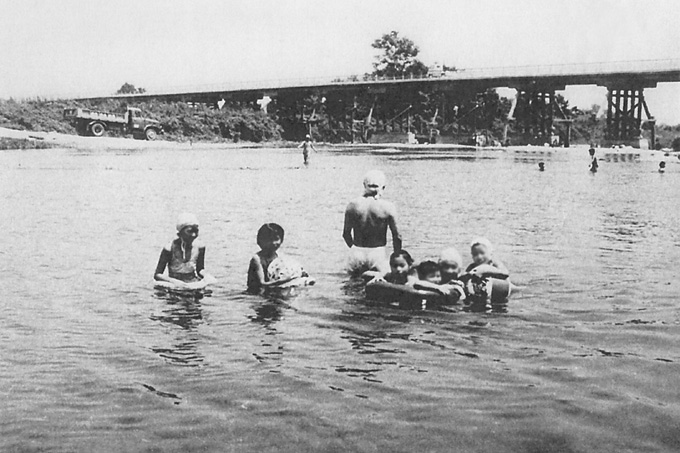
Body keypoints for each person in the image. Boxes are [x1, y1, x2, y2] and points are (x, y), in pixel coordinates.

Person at [343, 170, 402, 275]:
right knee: (380, 285)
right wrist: (396, 256)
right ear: (383, 187)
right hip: (377, 253)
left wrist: (354, 249)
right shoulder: (387, 207)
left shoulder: (352, 205)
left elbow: (346, 234)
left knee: (351, 287)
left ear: (364, 185)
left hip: (357, 252)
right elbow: (397, 236)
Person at [247, 223, 311, 293]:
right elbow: (261, 284)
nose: (273, 243)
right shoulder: (257, 259)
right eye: (269, 239)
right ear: (261, 240)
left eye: (276, 239)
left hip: (272, 291)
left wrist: (301, 275)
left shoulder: (280, 257)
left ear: (282, 240)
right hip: (256, 294)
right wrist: (286, 280)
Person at [154, 213, 213, 287]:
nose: (193, 235)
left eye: (196, 231)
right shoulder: (169, 248)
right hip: (174, 285)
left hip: (193, 283)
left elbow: (200, 269)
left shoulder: (200, 247)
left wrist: (206, 276)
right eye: (189, 231)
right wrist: (175, 282)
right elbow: (157, 274)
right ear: (180, 233)